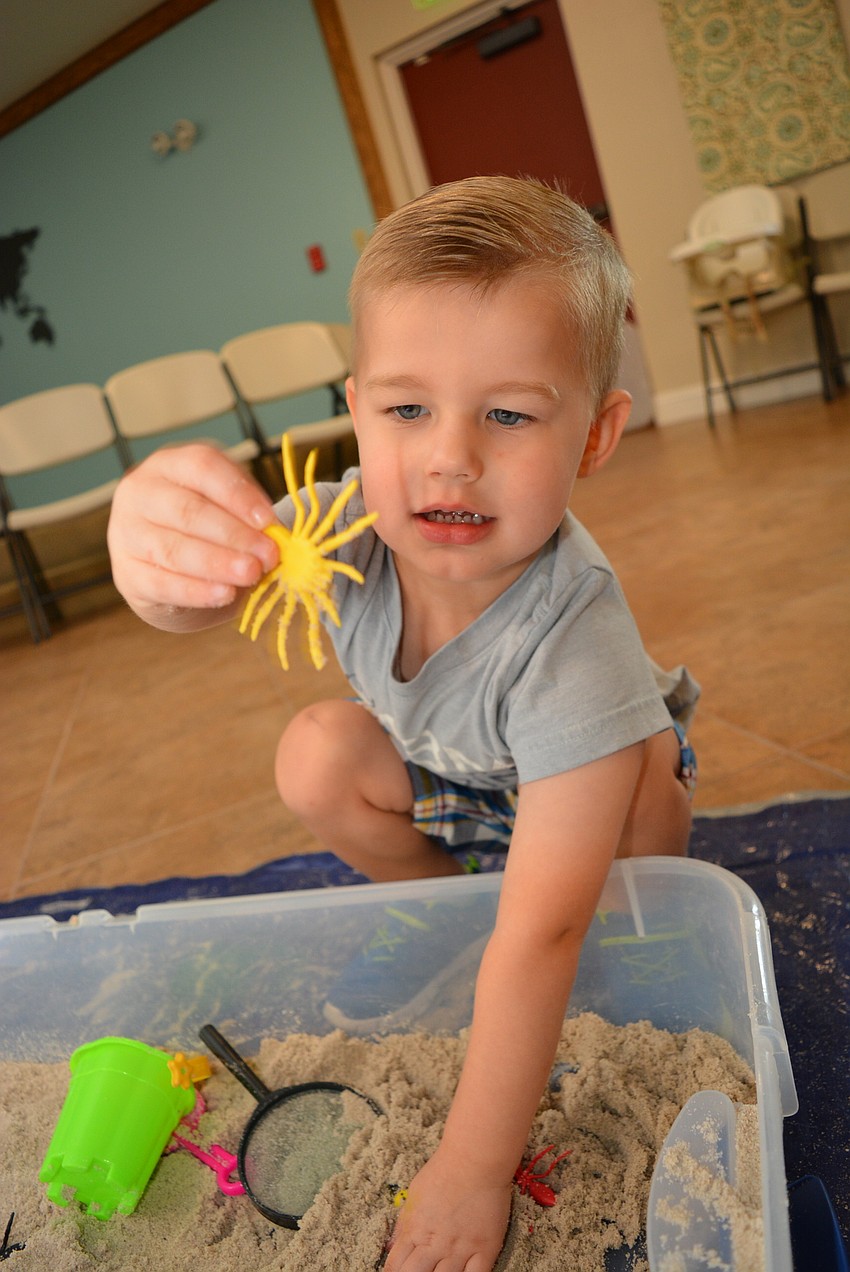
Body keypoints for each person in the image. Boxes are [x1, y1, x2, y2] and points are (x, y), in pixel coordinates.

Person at [108, 176, 699, 1272]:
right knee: (316, 752)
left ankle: (644, 911)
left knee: (630, 829)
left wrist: (473, 1170)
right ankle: (442, 914)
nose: (448, 457)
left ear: (597, 435)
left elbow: (546, 934)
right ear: (357, 406)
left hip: (588, 799)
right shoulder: (341, 528)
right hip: (460, 786)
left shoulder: (571, 636)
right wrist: (148, 550)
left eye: (509, 414)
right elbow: (189, 594)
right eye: (406, 408)